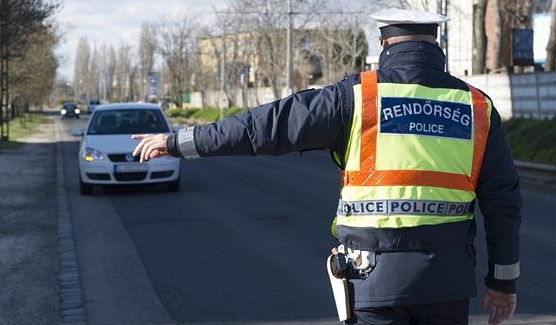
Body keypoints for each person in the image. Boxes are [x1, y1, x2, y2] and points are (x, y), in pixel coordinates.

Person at [131, 8, 521, 325]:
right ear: (435, 45)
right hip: (447, 286)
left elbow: (262, 128)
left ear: (384, 44)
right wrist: (503, 283)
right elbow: (503, 202)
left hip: (373, 281)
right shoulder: (477, 107)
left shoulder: (356, 98)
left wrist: (178, 142)